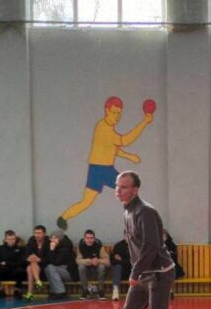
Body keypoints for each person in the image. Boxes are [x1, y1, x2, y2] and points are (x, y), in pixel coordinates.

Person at [100, 171, 186, 309]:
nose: (118, 190)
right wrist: (137, 271)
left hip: (159, 273)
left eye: (124, 187)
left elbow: (151, 246)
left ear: (135, 190)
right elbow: (134, 246)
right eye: (117, 186)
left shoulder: (145, 211)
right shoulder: (127, 210)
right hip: (143, 274)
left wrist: (135, 272)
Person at [56, 96, 152, 231]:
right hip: (99, 170)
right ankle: (63, 218)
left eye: (119, 113)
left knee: (127, 191)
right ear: (107, 111)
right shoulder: (104, 128)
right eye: (114, 112)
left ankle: (63, 217)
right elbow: (125, 140)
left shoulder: (108, 129)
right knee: (123, 191)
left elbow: (113, 148)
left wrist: (129, 157)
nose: (117, 116)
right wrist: (144, 122)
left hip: (103, 169)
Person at [0, 230, 27, 299]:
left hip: (16, 272)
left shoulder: (21, 248)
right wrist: (3, 266)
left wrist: (7, 263)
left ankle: (17, 291)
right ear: (5, 240)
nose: (11, 241)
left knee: (20, 270)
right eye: (9, 239)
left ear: (15, 239)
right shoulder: (1, 248)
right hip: (4, 272)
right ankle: (1, 291)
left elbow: (22, 262)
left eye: (13, 239)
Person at [76, 229, 110, 300]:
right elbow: (78, 260)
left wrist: (98, 261)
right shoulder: (81, 246)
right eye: (87, 238)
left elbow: (107, 262)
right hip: (86, 271)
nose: (89, 240)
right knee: (81, 267)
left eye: (91, 238)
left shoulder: (99, 246)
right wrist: (87, 261)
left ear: (94, 239)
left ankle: (101, 290)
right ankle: (85, 290)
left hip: (97, 271)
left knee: (101, 267)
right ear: (84, 239)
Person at [45, 231, 77, 300]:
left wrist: (52, 250)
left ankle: (61, 292)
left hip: (70, 273)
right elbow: (47, 260)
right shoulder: (55, 246)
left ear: (59, 239)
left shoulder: (66, 248)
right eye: (51, 238)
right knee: (47, 268)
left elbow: (56, 262)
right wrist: (51, 250)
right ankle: (54, 291)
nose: (52, 240)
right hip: (61, 270)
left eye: (54, 238)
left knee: (50, 267)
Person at [23, 225, 49, 300]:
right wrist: (28, 258)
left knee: (30, 267)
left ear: (44, 234)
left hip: (45, 268)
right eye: (35, 233)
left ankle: (30, 293)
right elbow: (26, 255)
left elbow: (50, 259)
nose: (37, 235)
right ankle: (38, 282)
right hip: (35, 267)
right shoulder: (31, 241)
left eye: (39, 233)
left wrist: (39, 260)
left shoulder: (48, 243)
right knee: (30, 266)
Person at [109, 236, 130, 301]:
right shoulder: (118, 246)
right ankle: (115, 291)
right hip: (121, 271)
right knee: (118, 267)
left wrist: (121, 260)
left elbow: (133, 261)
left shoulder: (137, 245)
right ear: (124, 236)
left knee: (137, 267)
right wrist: (123, 261)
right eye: (127, 235)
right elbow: (113, 261)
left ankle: (138, 293)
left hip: (132, 270)